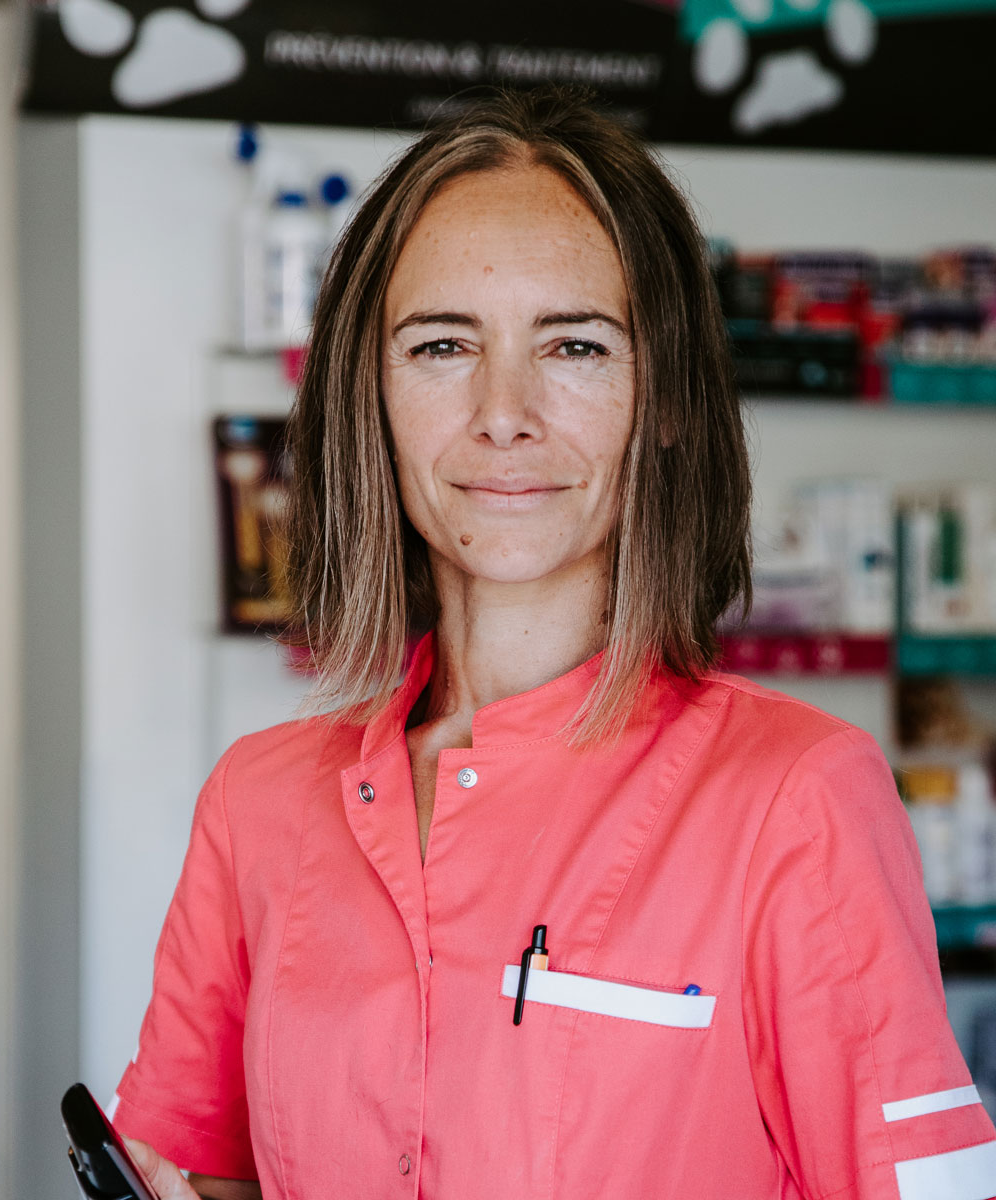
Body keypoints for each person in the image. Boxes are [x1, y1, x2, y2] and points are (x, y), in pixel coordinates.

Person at [110, 89, 996, 1199]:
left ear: (666, 401)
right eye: (442, 346)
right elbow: (194, 1172)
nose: (504, 412)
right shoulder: (257, 805)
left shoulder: (799, 799)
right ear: (368, 398)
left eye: (575, 345)